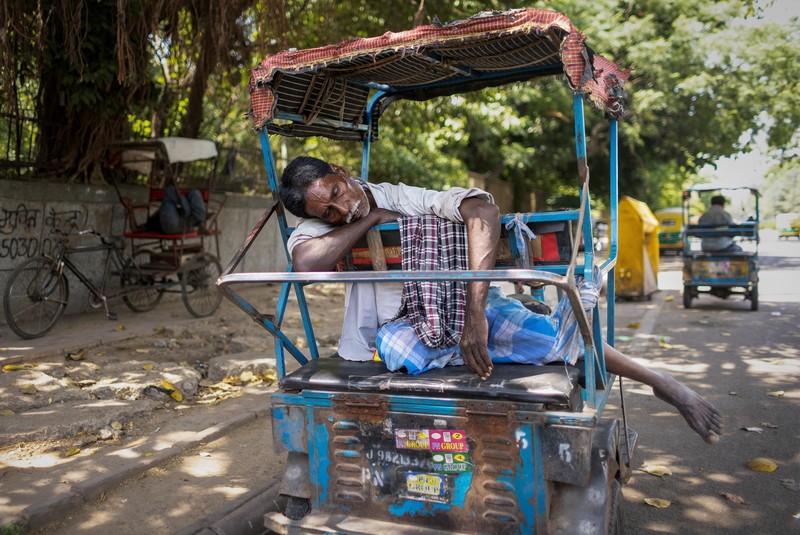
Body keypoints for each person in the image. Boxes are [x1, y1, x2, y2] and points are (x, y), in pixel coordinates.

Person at [280, 156, 723, 445]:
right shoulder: (328, 225)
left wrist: (475, 316)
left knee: (550, 337)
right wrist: (369, 219)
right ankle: (503, 330)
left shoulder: (403, 196)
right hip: (397, 338)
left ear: (340, 171)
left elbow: (482, 210)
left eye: (338, 194)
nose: (341, 210)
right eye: (328, 213)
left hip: (460, 311)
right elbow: (305, 263)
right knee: (399, 347)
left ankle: (663, 382)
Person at [122, 185, 210, 235]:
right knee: (169, 190)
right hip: (172, 226)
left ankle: (200, 221)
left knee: (194, 192)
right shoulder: (152, 222)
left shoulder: (169, 212)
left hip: (187, 224)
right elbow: (135, 229)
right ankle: (200, 219)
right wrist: (130, 210)